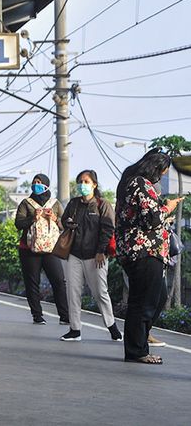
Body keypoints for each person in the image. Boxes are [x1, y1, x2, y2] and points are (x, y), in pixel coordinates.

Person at [115, 148, 183, 364]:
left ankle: (140, 341)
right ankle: (137, 351)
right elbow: (151, 219)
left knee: (157, 297)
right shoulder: (140, 184)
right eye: (163, 171)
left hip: (145, 251)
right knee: (142, 302)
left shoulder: (133, 182)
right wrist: (168, 208)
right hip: (143, 251)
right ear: (156, 167)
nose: (162, 176)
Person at [60, 170, 122, 342]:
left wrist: (101, 251)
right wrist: (68, 223)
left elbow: (108, 229)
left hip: (96, 256)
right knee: (72, 292)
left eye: (86, 181)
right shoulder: (73, 203)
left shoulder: (103, 205)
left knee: (100, 292)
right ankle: (75, 329)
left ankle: (112, 326)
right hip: (74, 254)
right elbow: (64, 220)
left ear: (94, 184)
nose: (82, 185)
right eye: (80, 181)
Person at [14, 174, 69, 325]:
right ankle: (37, 315)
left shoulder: (55, 204)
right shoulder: (26, 203)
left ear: (46, 185)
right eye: (34, 182)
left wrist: (54, 219)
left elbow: (64, 225)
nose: (35, 185)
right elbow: (18, 223)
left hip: (51, 249)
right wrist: (33, 218)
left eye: (39, 182)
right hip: (29, 249)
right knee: (32, 283)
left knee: (58, 281)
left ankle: (64, 316)